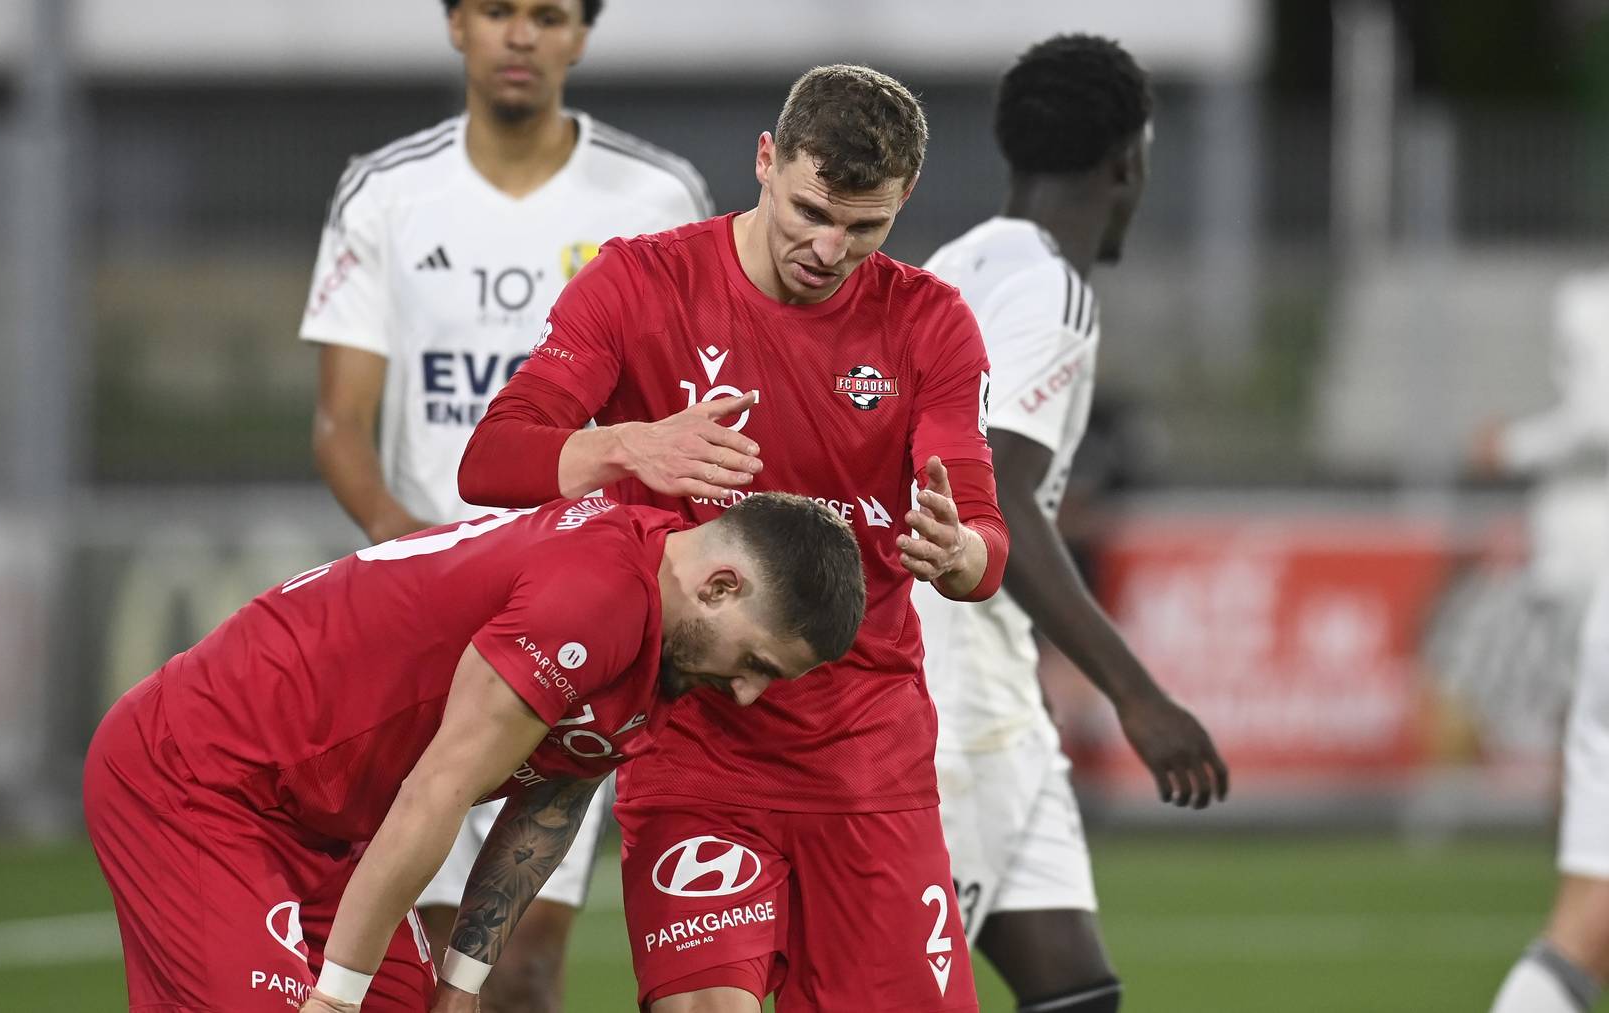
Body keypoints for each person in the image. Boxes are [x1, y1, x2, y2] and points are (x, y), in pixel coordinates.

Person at [459, 64, 1010, 1012]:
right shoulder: (639, 283)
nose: (829, 248)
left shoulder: (928, 322)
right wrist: (637, 443)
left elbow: (982, 540)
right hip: (690, 744)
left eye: (864, 227)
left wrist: (957, 554)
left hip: (867, 762)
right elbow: (493, 459)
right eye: (810, 210)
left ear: (904, 201)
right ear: (765, 160)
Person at [298, 0, 710, 1006]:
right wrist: (408, 546)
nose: (519, 35)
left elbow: (684, 409)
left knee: (518, 966)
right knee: (428, 959)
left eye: (548, 14)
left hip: (577, 619)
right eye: (495, 10)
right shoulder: (387, 192)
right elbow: (340, 425)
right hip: (427, 621)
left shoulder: (658, 195)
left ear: (579, 35)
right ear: (454, 25)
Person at [83, 490, 866, 1013]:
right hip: (197, 774)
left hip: (322, 827)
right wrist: (332, 999)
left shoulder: (665, 636)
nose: (748, 694)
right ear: (721, 586)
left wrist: (462, 982)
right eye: (760, 663)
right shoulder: (596, 594)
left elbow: (552, 803)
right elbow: (439, 787)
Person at [906, 35, 1227, 1013]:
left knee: (1076, 990)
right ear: (1128, 160)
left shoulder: (955, 259)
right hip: (951, 697)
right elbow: (993, 489)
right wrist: (1137, 695)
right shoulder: (1052, 291)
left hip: (988, 685)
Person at [1486, 269, 1609, 1013]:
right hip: (1583, 548)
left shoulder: (1583, 295)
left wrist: (1515, 445)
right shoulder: (1590, 301)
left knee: (1584, 925)